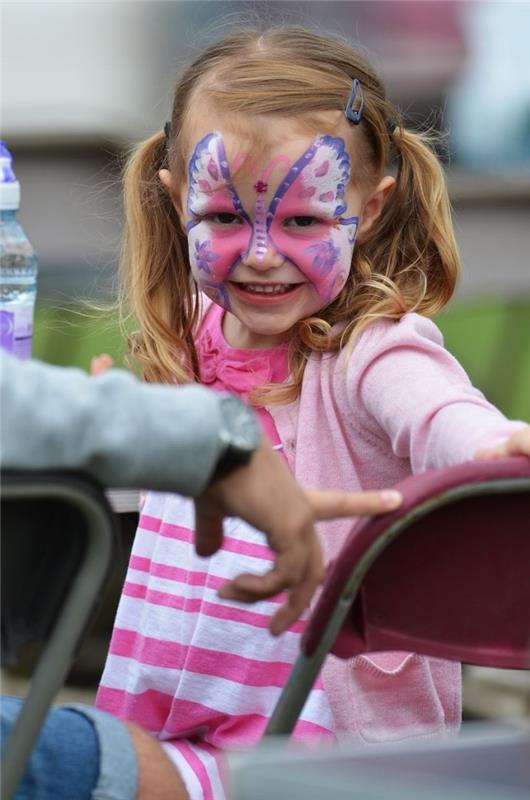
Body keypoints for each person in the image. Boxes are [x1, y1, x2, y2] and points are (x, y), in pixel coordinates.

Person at [93, 27, 530, 800]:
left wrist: (494, 444)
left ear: (370, 206)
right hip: (178, 713)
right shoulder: (192, 336)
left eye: (303, 223)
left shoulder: (370, 350)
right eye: (225, 219)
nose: (262, 254)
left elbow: (436, 414)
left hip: (322, 748)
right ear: (175, 197)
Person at [0, 349, 404, 800]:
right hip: (176, 745)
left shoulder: (372, 353)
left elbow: (435, 404)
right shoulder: (190, 344)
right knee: (130, 761)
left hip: (287, 747)